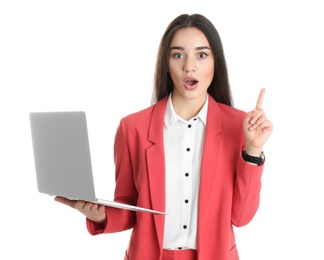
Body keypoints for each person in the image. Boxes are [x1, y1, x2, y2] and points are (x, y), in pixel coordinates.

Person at [55, 13, 273, 260]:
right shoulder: (132, 128)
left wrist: (253, 150)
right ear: (166, 63)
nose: (189, 66)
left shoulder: (240, 126)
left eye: (201, 55)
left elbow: (241, 217)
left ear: (216, 62)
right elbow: (129, 206)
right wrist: (99, 215)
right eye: (178, 55)